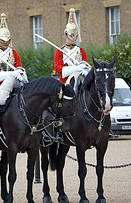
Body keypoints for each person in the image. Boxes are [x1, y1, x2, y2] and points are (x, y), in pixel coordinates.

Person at [42, 8, 90, 147]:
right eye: (70, 35)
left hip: (80, 80)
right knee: (58, 103)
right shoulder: (60, 51)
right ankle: (56, 129)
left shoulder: (81, 51)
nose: (73, 38)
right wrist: (75, 68)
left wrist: (85, 67)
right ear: (65, 35)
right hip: (65, 83)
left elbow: (86, 66)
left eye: (75, 35)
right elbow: (59, 70)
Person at [0, 13, 28, 151]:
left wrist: (20, 72)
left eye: (7, 40)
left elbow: (19, 66)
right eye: (3, 40)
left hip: (15, 85)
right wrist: (11, 73)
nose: (5, 42)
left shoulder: (13, 53)